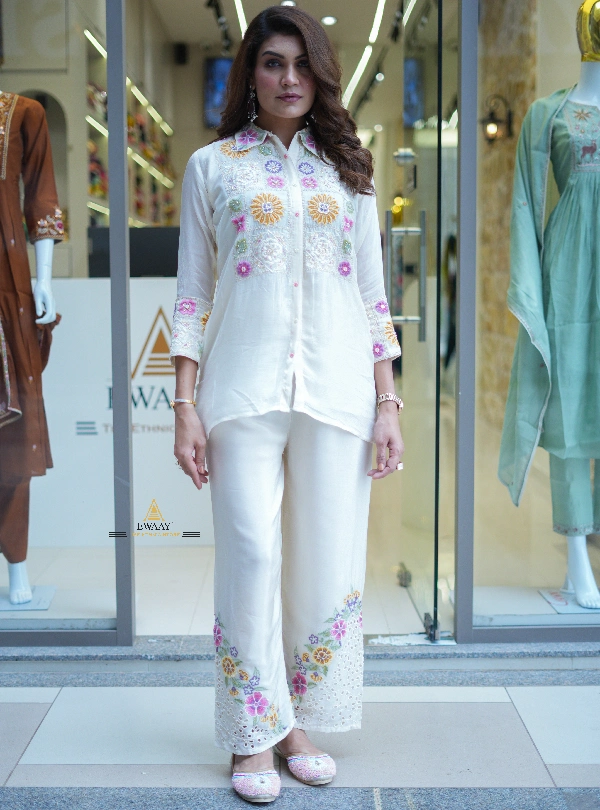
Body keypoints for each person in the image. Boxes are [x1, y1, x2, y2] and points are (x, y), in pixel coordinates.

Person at [170, 6, 404, 803]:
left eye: (303, 64)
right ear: (251, 73)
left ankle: (295, 724)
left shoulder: (350, 171)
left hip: (337, 392)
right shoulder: (213, 167)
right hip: (241, 391)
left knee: (323, 560)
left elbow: (374, 298)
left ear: (322, 74)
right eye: (273, 62)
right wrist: (183, 404)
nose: (289, 78)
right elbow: (193, 294)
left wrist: (388, 401)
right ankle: (251, 733)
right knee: (251, 556)